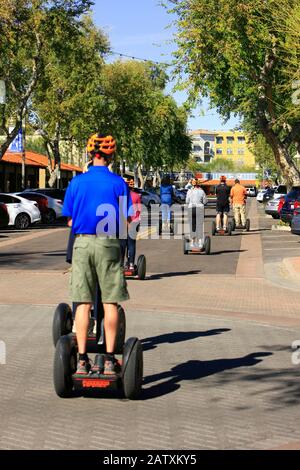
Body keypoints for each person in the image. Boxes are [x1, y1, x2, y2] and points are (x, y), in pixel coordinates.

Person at [62, 133, 131, 376]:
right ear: (111, 155)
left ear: (90, 155)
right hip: (108, 242)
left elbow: (70, 221)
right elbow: (125, 221)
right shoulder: (118, 183)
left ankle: (82, 360)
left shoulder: (76, 183)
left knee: (82, 303)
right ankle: (110, 360)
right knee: (110, 301)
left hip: (82, 244)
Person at [120, 178, 142, 271]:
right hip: (134, 222)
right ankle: (131, 264)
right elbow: (139, 210)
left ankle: (120, 264)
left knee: (122, 244)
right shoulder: (136, 196)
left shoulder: (121, 197)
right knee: (131, 244)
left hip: (123, 222)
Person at [186, 178, 207, 247]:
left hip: (191, 208)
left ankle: (192, 242)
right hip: (199, 208)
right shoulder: (202, 191)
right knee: (199, 226)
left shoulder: (189, 191)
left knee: (192, 226)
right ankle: (200, 242)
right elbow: (205, 201)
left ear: (192, 183)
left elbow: (187, 201)